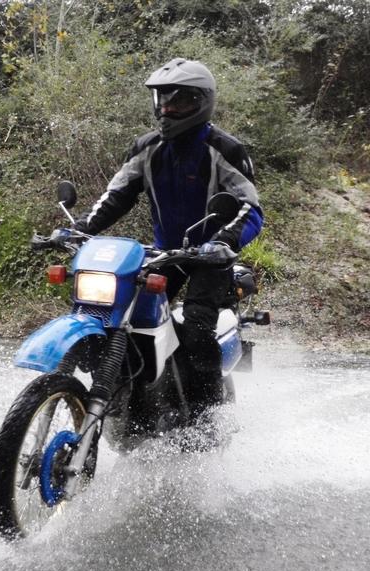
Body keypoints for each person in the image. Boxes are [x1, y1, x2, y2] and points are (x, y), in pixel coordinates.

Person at [75, 57, 263, 417]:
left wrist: (223, 243)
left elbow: (249, 208)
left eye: (177, 101)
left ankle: (206, 419)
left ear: (201, 102)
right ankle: (131, 399)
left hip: (210, 257)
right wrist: (79, 228)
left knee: (195, 328)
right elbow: (116, 197)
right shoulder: (147, 148)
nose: (166, 109)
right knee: (116, 315)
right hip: (165, 253)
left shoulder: (224, 149)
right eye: (162, 100)